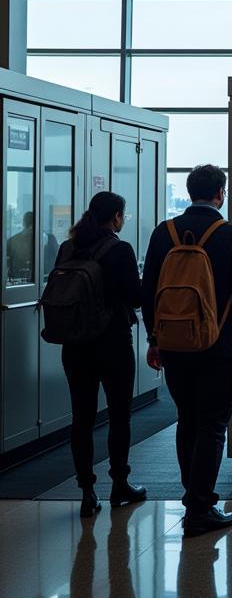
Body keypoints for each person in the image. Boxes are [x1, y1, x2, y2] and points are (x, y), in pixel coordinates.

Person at [142, 164, 232, 539]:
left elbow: (148, 291)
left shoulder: (163, 234)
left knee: (188, 421)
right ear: (221, 194)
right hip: (218, 347)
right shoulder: (230, 235)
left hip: (175, 346)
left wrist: (154, 339)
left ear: (189, 189)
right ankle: (201, 507)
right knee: (213, 426)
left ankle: (192, 497)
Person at [52, 191, 147, 519]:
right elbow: (135, 298)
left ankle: (87, 490)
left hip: (75, 345)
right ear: (117, 217)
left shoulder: (68, 247)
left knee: (82, 417)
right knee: (120, 415)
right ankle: (120, 484)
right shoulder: (120, 249)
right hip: (114, 344)